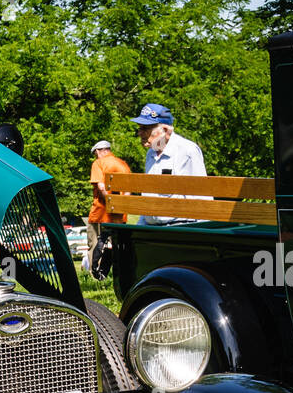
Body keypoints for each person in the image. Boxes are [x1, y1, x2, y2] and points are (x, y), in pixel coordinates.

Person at [129, 103, 208, 225]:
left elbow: (202, 195)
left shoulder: (187, 150)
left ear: (165, 130)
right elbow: (148, 196)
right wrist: (140, 226)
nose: (140, 133)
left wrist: (203, 232)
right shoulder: (151, 153)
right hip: (151, 229)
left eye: (145, 128)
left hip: (181, 229)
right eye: (140, 128)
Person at [86, 140, 131, 277]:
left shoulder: (98, 163)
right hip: (120, 215)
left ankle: (95, 275)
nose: (95, 156)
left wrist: (111, 203)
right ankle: (118, 273)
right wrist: (119, 205)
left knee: (94, 242)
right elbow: (129, 190)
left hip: (101, 213)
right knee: (117, 244)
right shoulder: (123, 164)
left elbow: (101, 187)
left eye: (95, 154)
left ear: (100, 151)